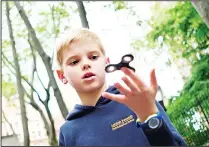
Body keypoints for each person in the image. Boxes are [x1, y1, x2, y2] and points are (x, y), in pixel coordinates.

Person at [56, 28, 187, 146]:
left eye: (93, 57)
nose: (85, 64)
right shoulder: (68, 133)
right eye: (74, 62)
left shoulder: (138, 98)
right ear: (62, 75)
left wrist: (150, 118)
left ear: (106, 63)